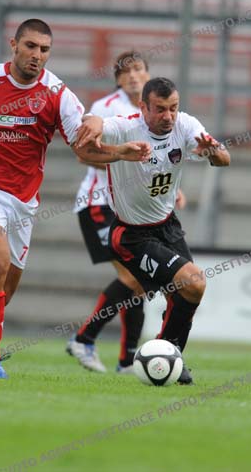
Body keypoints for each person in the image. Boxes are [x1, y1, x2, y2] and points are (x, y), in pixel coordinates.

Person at [0, 19, 150, 379]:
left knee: (0, 294)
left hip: (23, 203)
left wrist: (120, 152)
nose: (37, 55)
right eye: (30, 46)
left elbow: (83, 149)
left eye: (44, 50)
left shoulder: (57, 94)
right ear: (14, 44)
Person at [73, 77, 230, 385]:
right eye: (160, 109)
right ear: (143, 107)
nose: (168, 116)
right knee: (191, 282)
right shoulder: (125, 126)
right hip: (132, 235)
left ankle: (167, 355)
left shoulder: (186, 125)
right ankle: (150, 353)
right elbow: (83, 150)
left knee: (187, 292)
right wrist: (117, 150)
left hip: (168, 227)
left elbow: (224, 159)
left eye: (173, 108)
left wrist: (212, 152)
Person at [67, 51, 186, 374]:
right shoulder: (106, 108)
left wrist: (167, 188)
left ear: (148, 75)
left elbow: (160, 159)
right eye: (125, 72)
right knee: (134, 278)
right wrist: (121, 158)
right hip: (100, 203)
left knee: (139, 283)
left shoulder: (158, 111)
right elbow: (83, 154)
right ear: (117, 79)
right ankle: (84, 339)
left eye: (138, 69)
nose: (132, 76)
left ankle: (126, 360)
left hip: (135, 206)